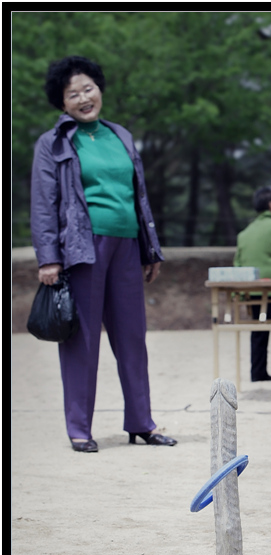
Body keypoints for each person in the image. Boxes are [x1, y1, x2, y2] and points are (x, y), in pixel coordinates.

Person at [30, 55, 177, 452]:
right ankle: (80, 428)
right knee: (82, 340)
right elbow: (43, 204)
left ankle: (142, 422)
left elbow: (138, 196)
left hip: (127, 244)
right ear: (62, 103)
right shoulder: (53, 143)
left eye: (88, 89)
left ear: (99, 89)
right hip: (82, 248)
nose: (83, 98)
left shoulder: (120, 135)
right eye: (72, 94)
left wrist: (150, 249)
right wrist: (48, 258)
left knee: (132, 337)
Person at [233, 186, 271, 381]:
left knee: (259, 330)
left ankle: (257, 372)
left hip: (252, 290)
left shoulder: (244, 233)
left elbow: (238, 262)